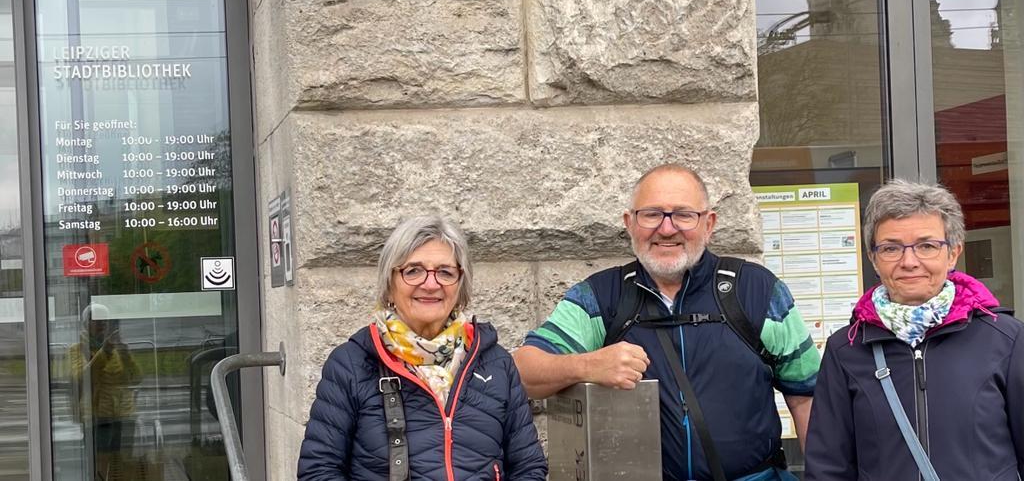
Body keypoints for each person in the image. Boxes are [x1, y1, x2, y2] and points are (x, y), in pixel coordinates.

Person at [514, 164, 819, 481]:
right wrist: (587, 366)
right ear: (629, 223)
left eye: (684, 215)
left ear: (709, 223)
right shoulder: (600, 298)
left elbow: (807, 397)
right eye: (651, 214)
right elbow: (523, 371)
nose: (667, 228)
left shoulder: (758, 291)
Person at [804, 179, 1024, 480]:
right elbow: (829, 466)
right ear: (873, 258)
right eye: (891, 248)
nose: (909, 262)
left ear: (953, 253)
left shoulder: (1006, 340)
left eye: (927, 246)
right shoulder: (846, 349)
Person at [298, 216, 546, 481]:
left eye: (445, 272)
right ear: (390, 284)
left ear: (460, 286)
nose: (430, 284)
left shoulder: (496, 364)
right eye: (413, 270)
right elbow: (318, 471)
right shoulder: (351, 364)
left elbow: (528, 468)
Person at [66, 303, 141, 481]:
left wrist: (125, 354)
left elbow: (136, 378)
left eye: (104, 321)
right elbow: (81, 379)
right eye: (96, 320)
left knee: (121, 462)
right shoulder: (77, 350)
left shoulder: (116, 349)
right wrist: (104, 352)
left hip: (123, 414)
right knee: (99, 464)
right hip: (97, 416)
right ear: (85, 324)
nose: (101, 325)